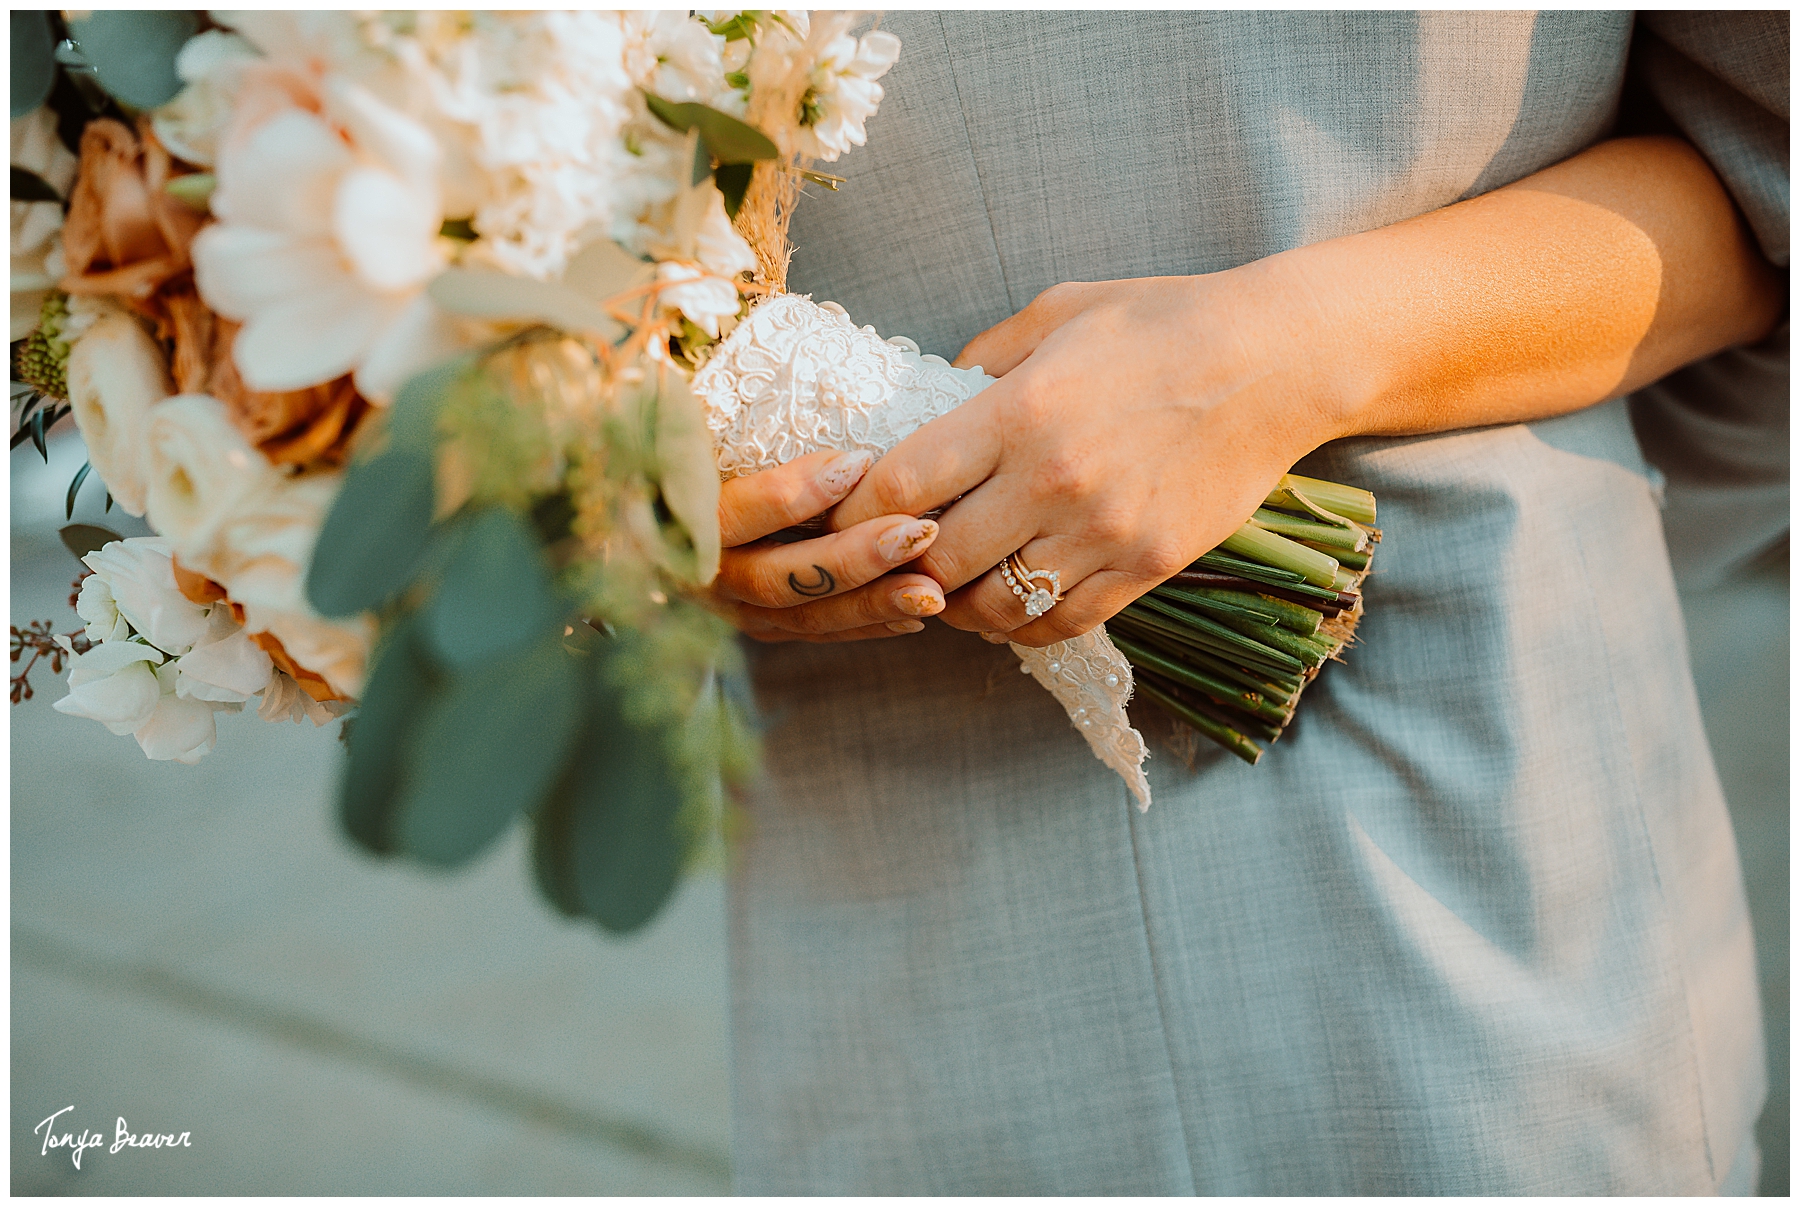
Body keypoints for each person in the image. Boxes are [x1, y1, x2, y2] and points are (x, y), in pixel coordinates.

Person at [702, 12, 1788, 1193]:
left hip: (1472, 813)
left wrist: (1294, 349)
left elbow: (1763, 187)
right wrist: (649, 491)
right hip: (898, 895)